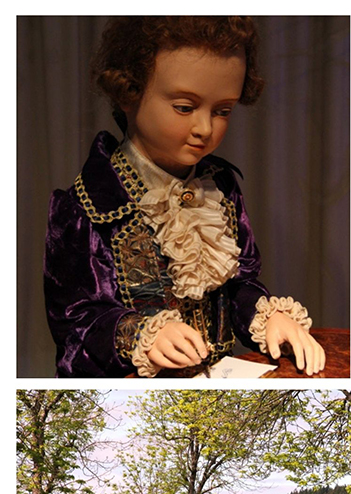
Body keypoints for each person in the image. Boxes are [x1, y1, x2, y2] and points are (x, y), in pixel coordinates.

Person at [44, 17, 325, 377]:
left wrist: (267, 316)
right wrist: (140, 335)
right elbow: (76, 323)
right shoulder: (86, 206)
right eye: (184, 107)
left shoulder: (220, 188)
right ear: (129, 90)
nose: (205, 128)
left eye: (223, 111)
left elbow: (238, 282)